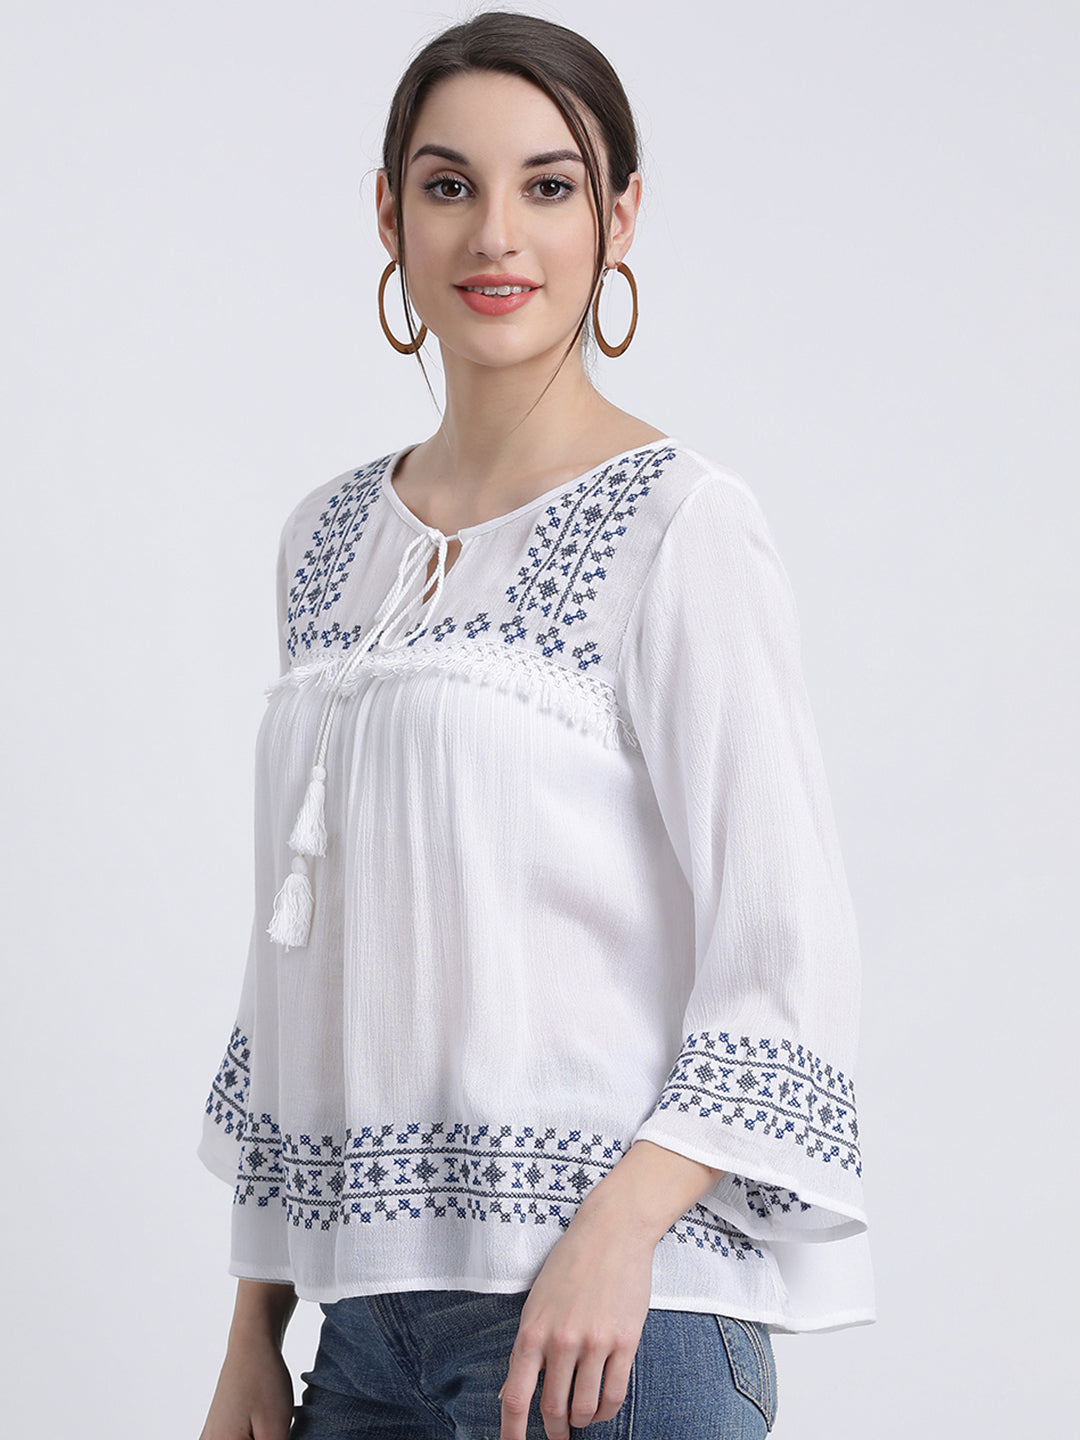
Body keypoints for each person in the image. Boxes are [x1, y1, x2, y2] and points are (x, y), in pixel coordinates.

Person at [196, 11, 874, 1440]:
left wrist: (616, 1237)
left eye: (549, 186)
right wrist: (254, 1324)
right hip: (359, 1331)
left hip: (612, 1323)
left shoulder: (681, 526)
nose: (496, 234)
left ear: (618, 218)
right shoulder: (325, 542)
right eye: (449, 185)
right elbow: (299, 959)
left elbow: (783, 949)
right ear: (390, 217)